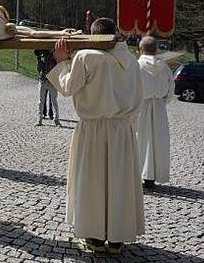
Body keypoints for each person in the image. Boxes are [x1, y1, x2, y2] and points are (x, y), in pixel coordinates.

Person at [47, 17, 144, 254]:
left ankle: (95, 238)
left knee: (93, 180)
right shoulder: (132, 60)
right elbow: (139, 98)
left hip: (93, 128)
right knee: (118, 182)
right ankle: (117, 237)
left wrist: (61, 62)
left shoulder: (85, 57)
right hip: (123, 130)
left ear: (93, 36)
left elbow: (68, 87)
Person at [136, 36, 174, 188]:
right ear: (156, 50)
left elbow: (131, 87)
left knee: (141, 140)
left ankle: (140, 173)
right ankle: (153, 177)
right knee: (158, 141)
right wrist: (162, 101)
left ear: (140, 49)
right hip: (158, 107)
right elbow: (171, 89)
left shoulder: (137, 65)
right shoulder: (164, 67)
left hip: (141, 106)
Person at [35, 49, 60, 126]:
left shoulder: (54, 56)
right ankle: (39, 119)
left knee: (54, 101)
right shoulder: (42, 55)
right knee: (41, 101)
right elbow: (39, 67)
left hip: (51, 80)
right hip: (43, 79)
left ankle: (56, 119)